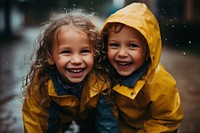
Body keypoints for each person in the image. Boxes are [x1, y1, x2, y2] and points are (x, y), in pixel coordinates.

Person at [21, 10, 118, 133]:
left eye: (84, 51)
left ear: (95, 53)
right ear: (50, 56)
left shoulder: (101, 80)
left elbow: (107, 120)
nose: (77, 60)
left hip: (90, 117)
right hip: (59, 117)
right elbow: (34, 121)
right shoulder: (41, 82)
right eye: (66, 52)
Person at [100, 3, 184, 133]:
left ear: (147, 51)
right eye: (114, 45)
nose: (122, 53)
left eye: (132, 46)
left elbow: (167, 120)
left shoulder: (159, 82)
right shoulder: (104, 73)